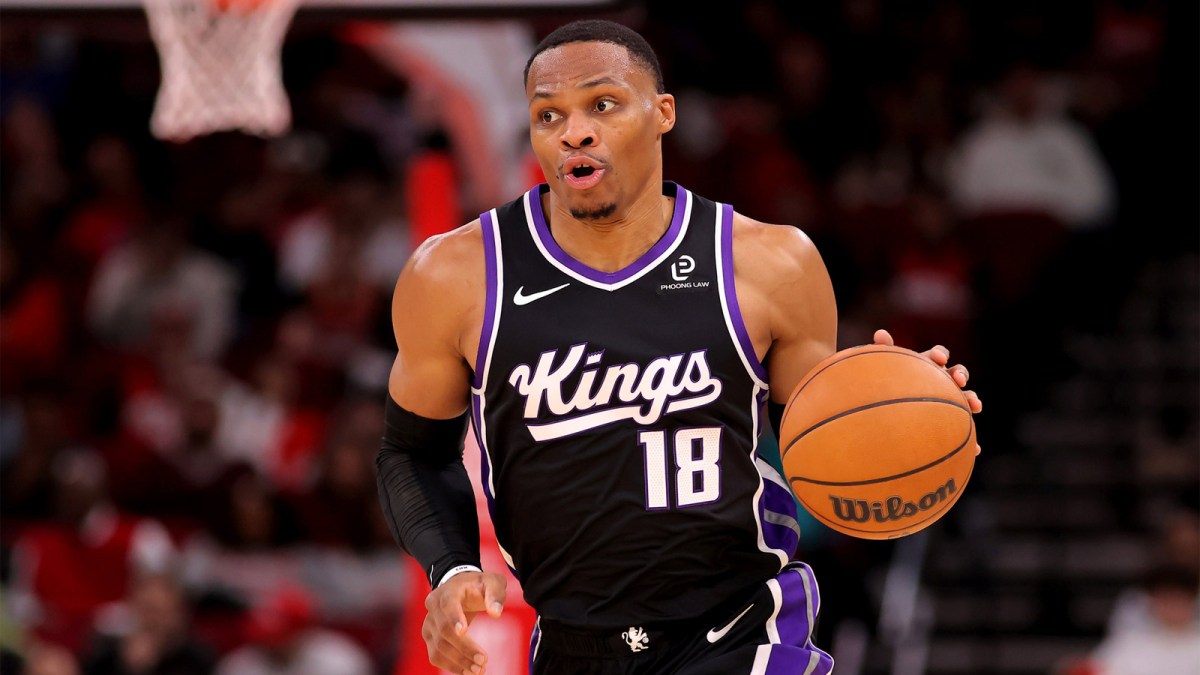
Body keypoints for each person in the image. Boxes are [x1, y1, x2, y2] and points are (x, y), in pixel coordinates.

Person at [375, 19, 982, 675]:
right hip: (573, 642)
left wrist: (906, 412)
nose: (575, 131)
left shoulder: (769, 263)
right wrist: (452, 567)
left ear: (663, 113)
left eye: (602, 104)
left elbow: (827, 446)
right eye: (549, 114)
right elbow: (412, 450)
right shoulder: (457, 274)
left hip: (741, 630)